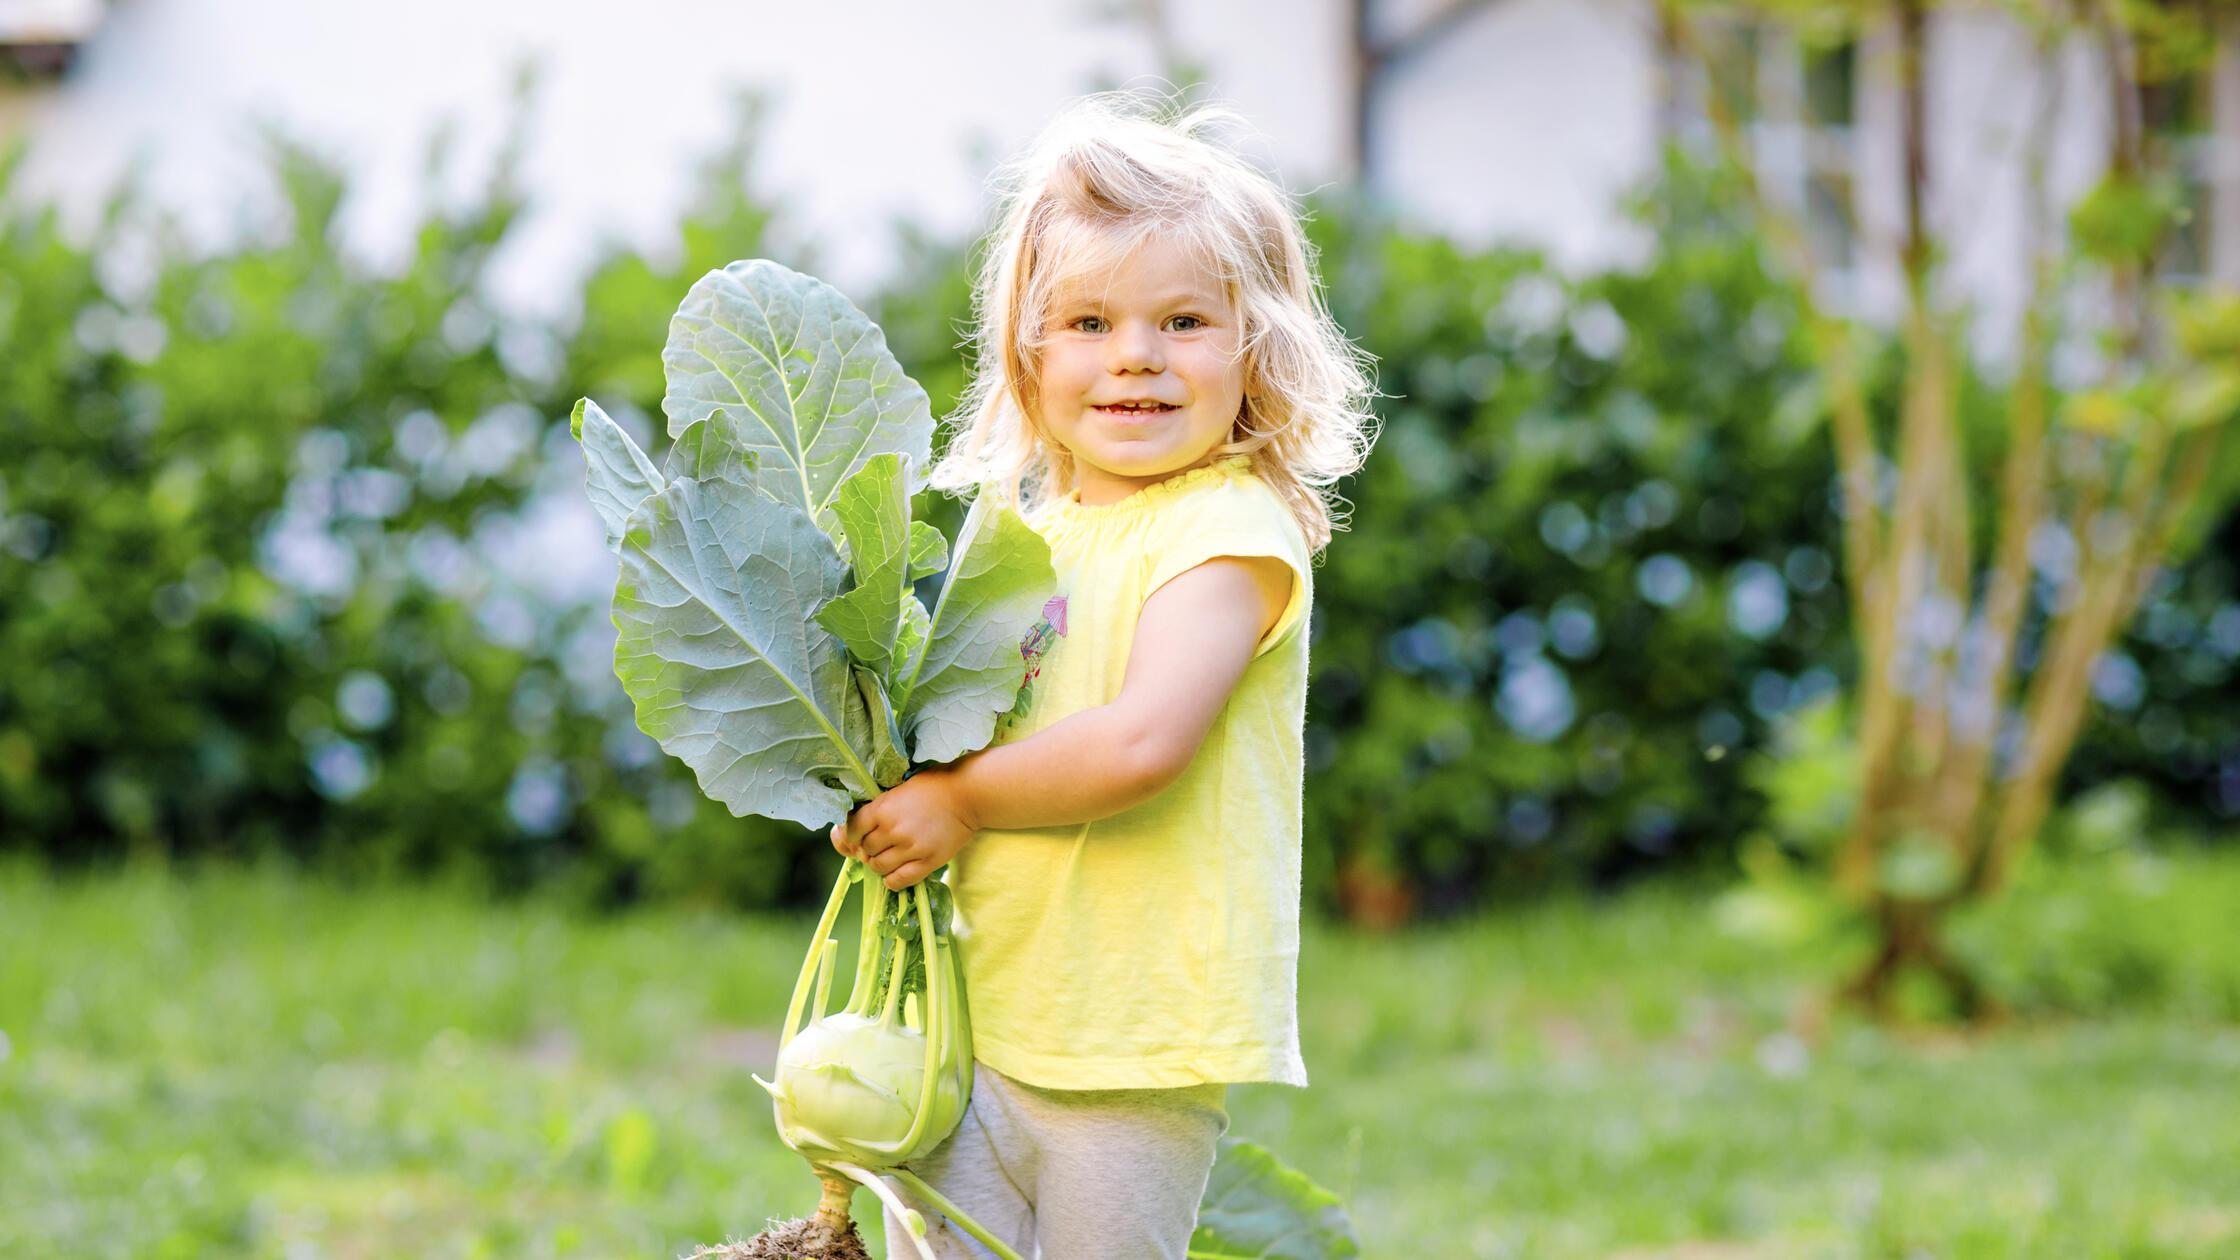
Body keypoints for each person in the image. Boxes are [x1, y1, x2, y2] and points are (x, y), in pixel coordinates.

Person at [828, 88, 1376, 1260]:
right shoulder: (1023, 539)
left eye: (1182, 320)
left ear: (1257, 349)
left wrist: (957, 802)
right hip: (972, 1013)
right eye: (1087, 322)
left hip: (1131, 1035)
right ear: (1027, 355)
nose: (1134, 355)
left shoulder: (1228, 534)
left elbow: (1140, 742)